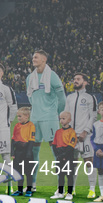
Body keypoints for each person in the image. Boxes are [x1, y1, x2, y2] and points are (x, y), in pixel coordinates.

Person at [26, 50, 66, 190]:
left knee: (56, 152)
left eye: (36, 57)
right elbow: (30, 96)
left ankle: (60, 186)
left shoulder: (52, 76)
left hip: (49, 118)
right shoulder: (30, 77)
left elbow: (62, 97)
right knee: (32, 153)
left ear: (44, 59)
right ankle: (32, 184)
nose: (33, 59)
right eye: (33, 57)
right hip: (35, 119)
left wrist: (58, 113)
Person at [64, 73, 98, 198]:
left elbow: (93, 116)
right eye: (74, 79)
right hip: (71, 136)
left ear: (85, 82)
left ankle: (92, 189)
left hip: (85, 135)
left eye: (78, 79)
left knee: (89, 161)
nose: (75, 81)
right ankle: (71, 189)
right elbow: (66, 115)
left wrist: (86, 131)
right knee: (72, 163)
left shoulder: (90, 98)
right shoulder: (70, 97)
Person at [50, 111, 77, 200]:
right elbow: (54, 144)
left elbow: (71, 146)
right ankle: (60, 192)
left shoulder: (72, 132)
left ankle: (69, 193)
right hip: (59, 156)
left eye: (63, 118)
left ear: (69, 120)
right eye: (60, 118)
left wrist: (64, 155)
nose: (61, 120)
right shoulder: (58, 132)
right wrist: (58, 155)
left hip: (68, 157)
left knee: (69, 175)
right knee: (60, 175)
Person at [11, 107, 37, 197]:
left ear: (27, 116)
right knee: (19, 172)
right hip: (18, 152)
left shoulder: (31, 126)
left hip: (27, 152)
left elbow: (31, 140)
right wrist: (12, 152)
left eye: (20, 116)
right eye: (18, 116)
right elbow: (13, 139)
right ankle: (19, 190)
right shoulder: (17, 126)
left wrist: (29, 153)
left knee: (28, 172)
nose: (18, 118)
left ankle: (29, 189)